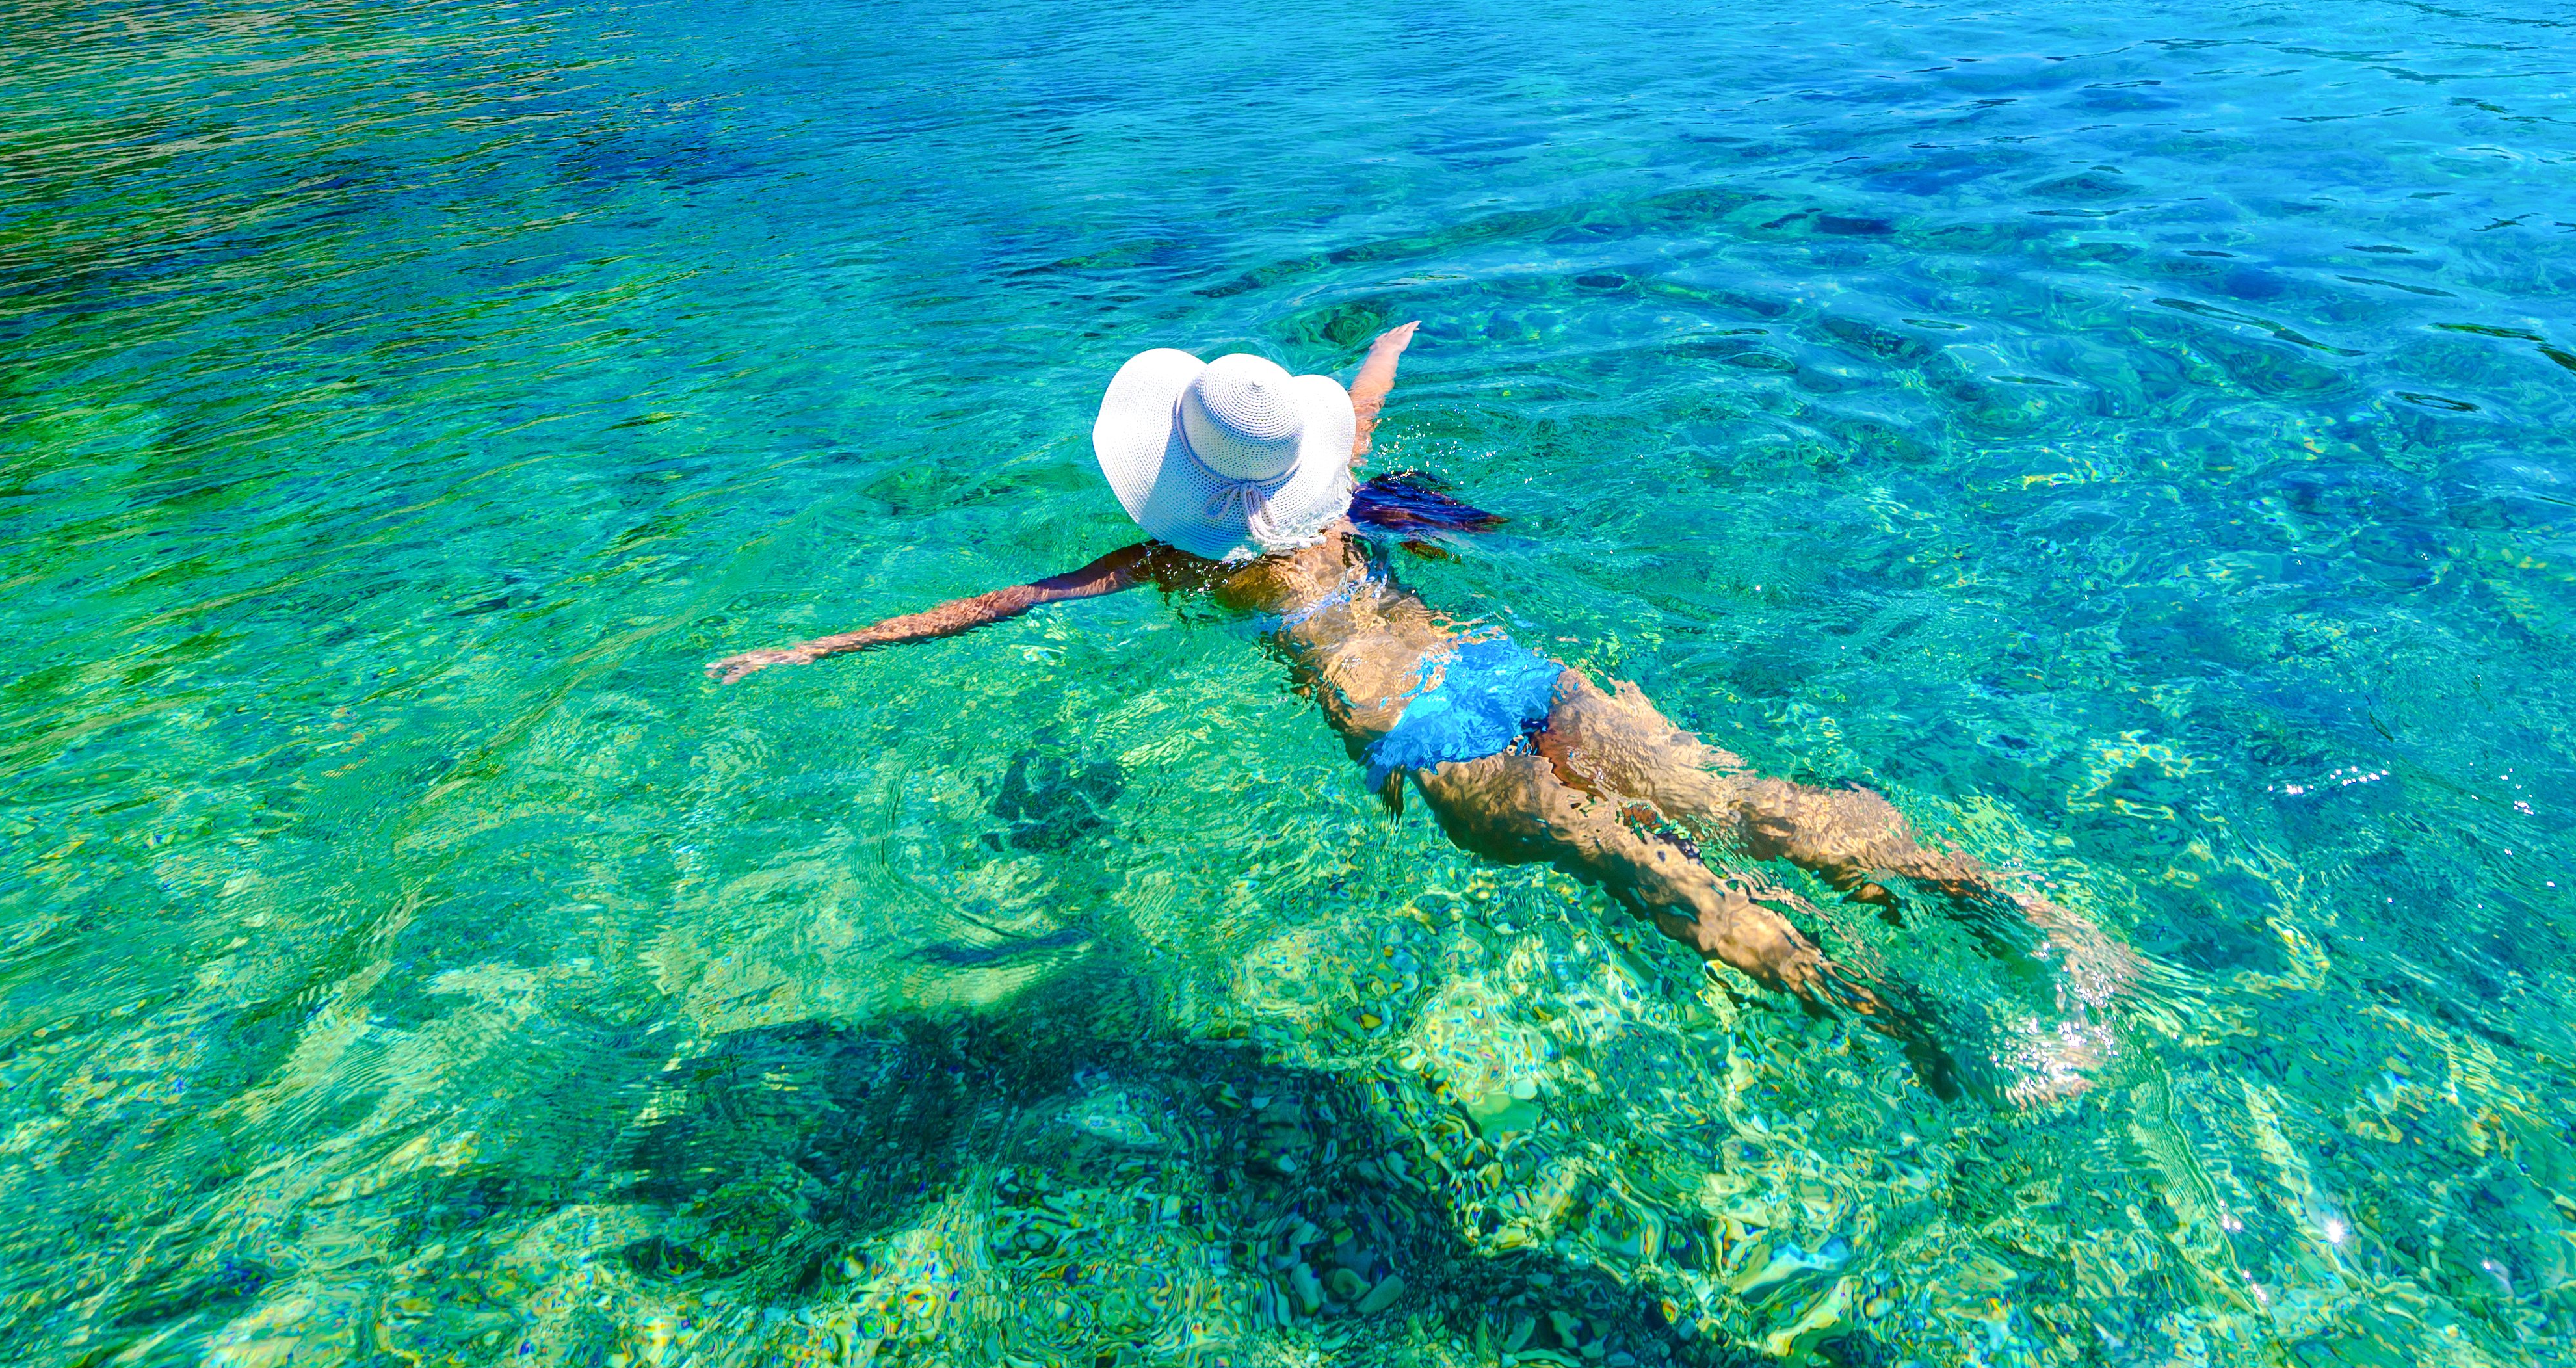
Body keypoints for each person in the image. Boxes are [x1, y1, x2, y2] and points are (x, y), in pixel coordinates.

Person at [710, 326, 2133, 1103]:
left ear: (1180, 485)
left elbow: (1002, 603)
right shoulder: (1338, 489)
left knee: (1650, 876)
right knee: (1738, 804)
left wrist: (810, 650)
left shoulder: (1168, 558)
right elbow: (1369, 399)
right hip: (1505, 669)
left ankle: (1909, 1030)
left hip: (1423, 736)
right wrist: (1383, 343)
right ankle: (2020, 912)